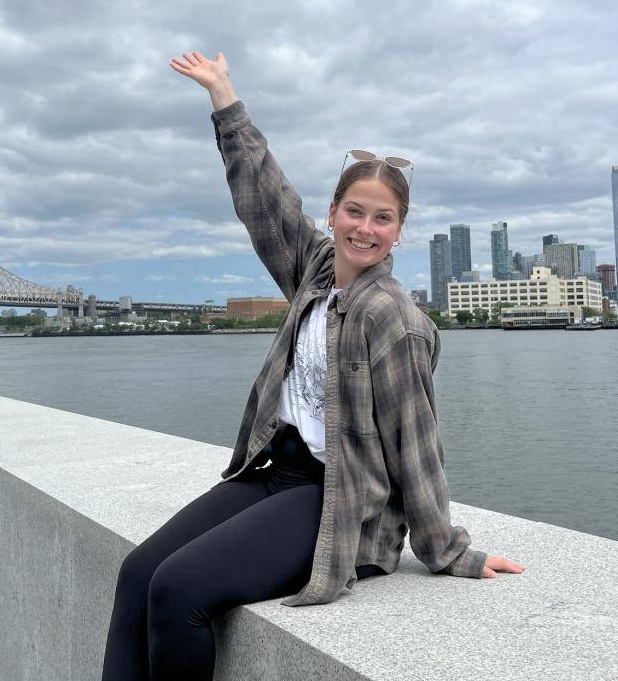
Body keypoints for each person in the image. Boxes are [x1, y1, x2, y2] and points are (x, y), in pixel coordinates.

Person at [101, 51, 525, 681]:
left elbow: (418, 446)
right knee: (139, 573)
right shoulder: (316, 271)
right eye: (354, 211)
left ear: (398, 232)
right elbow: (265, 199)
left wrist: (449, 551)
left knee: (179, 592)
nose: (365, 227)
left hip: (339, 498)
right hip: (278, 470)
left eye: (383, 218)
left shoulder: (395, 321)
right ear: (332, 215)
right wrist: (225, 99)